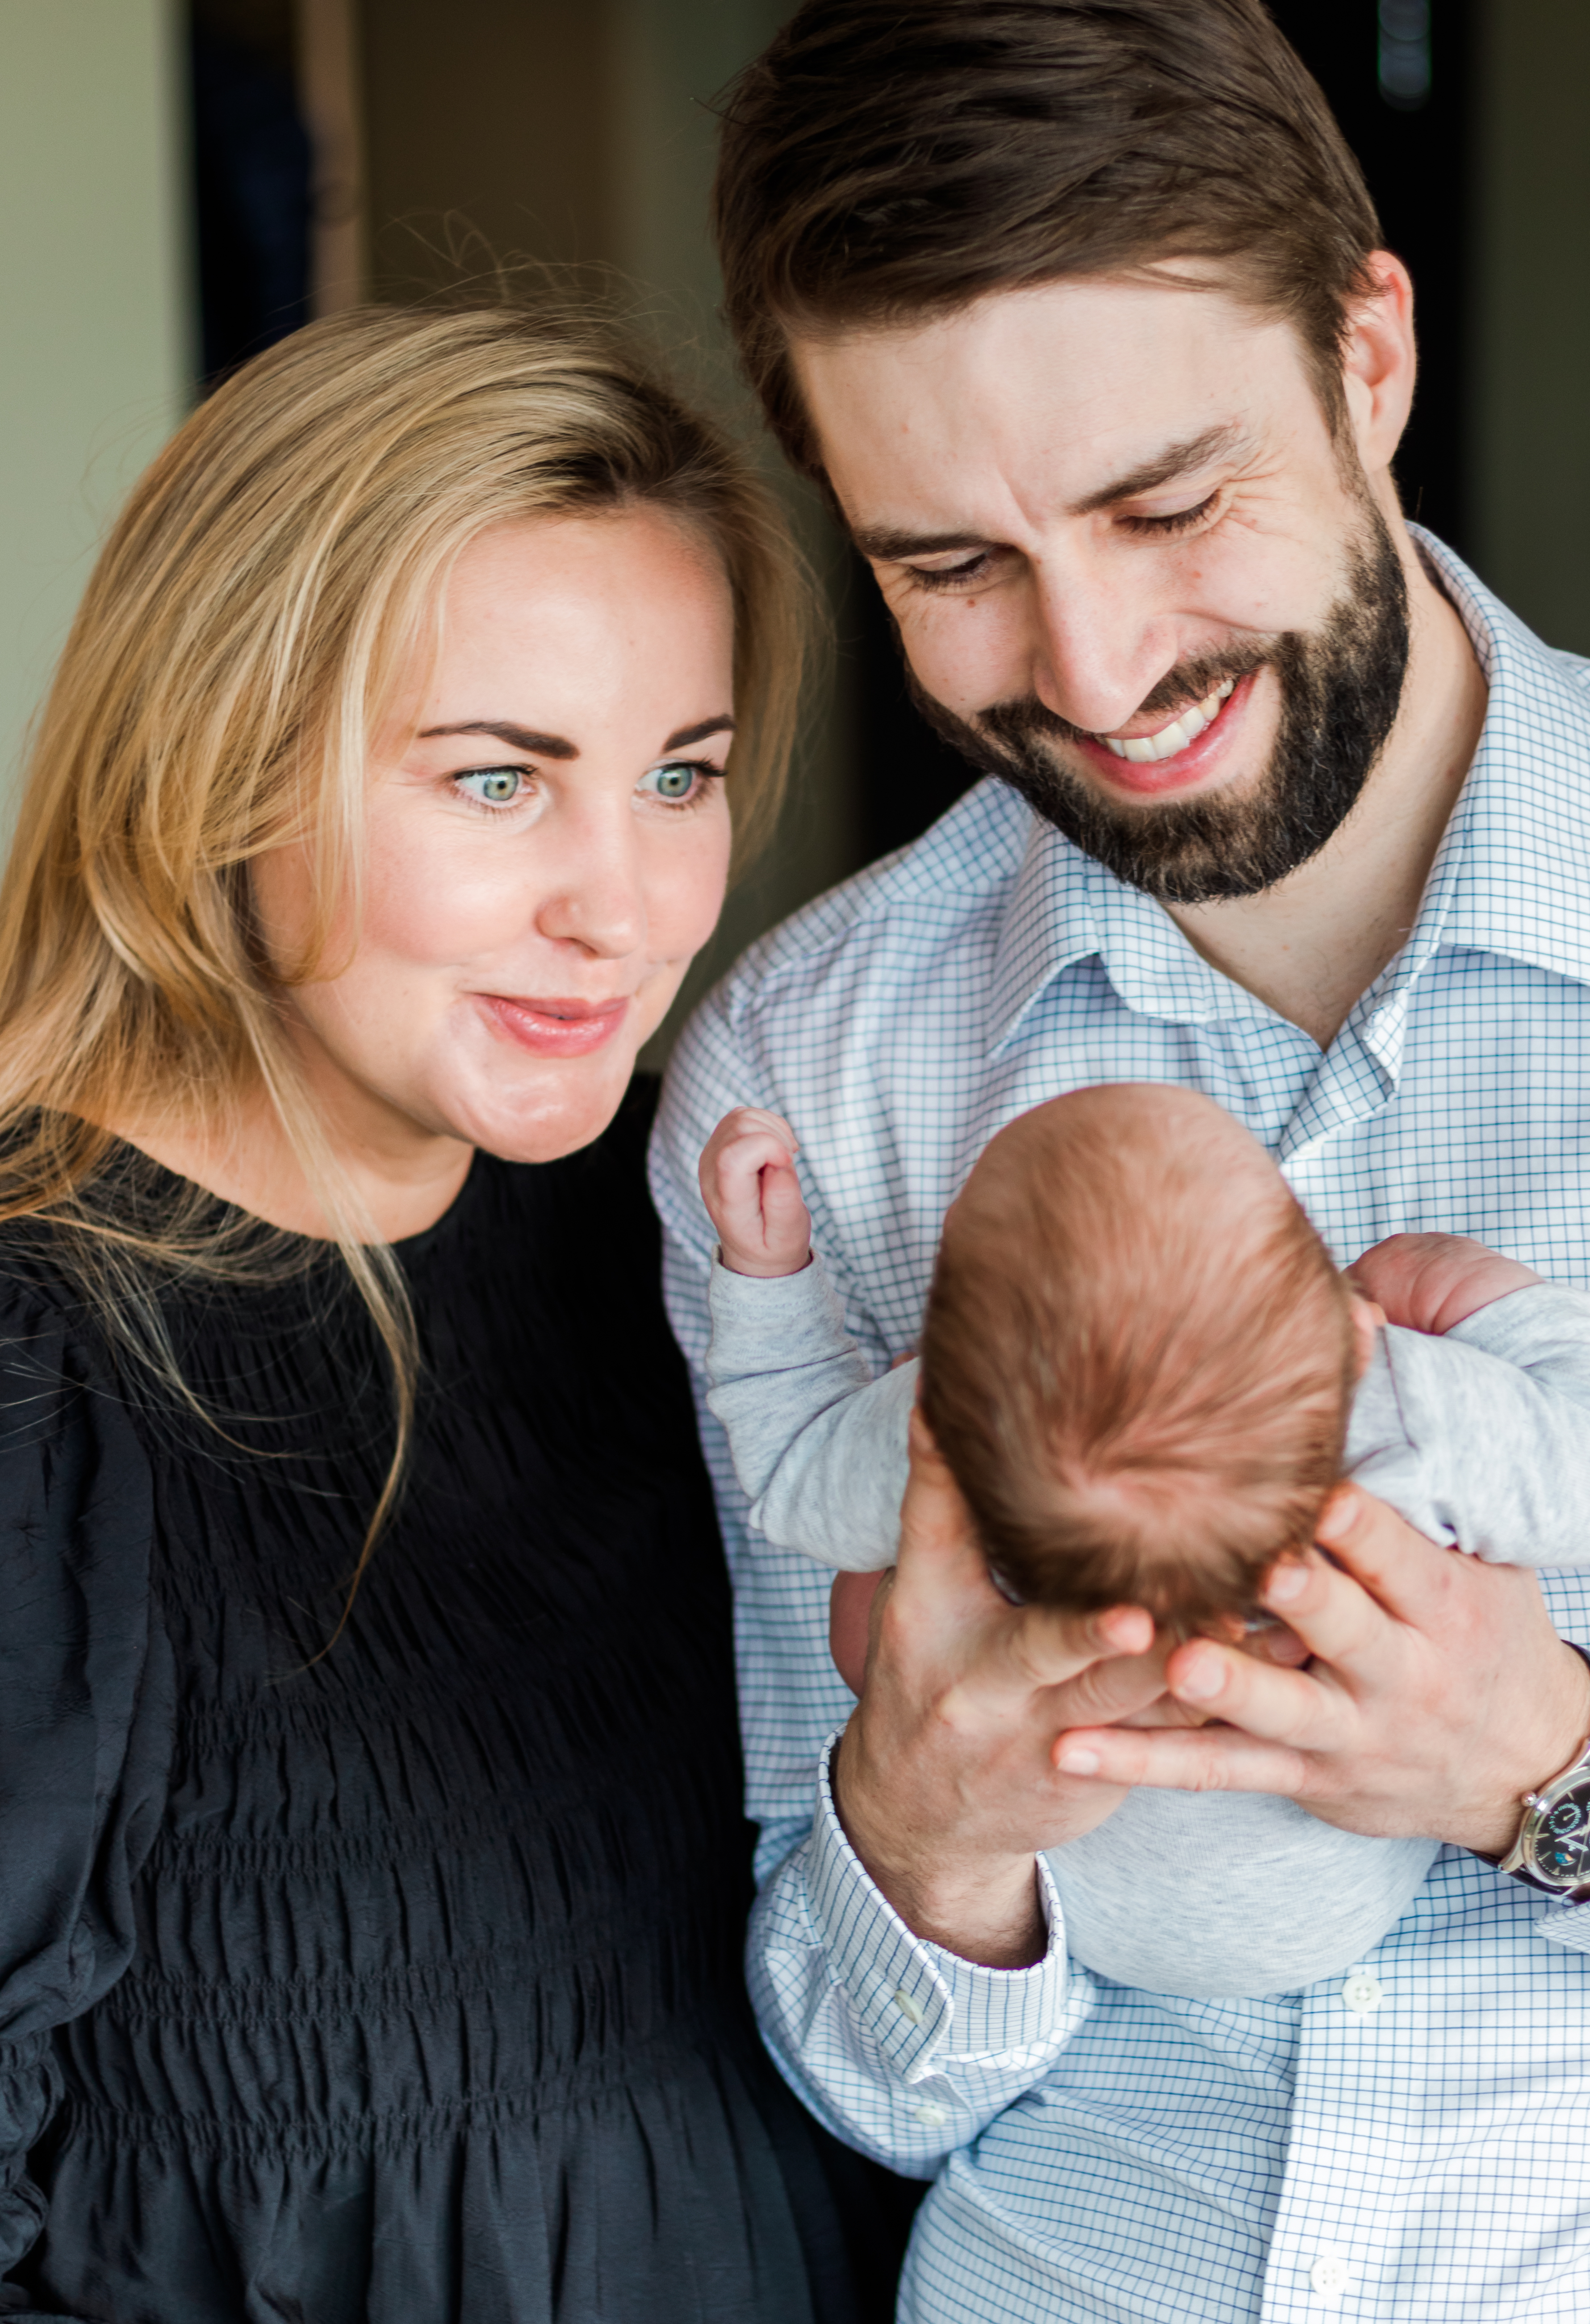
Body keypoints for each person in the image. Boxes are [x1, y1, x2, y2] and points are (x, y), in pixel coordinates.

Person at [650, 2, 1590, 2317]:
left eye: (1164, 505)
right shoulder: (802, 1080)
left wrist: (1563, 1773)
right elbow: (863, 2080)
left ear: (1364, 353)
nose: (1093, 661)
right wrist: (923, 1836)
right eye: (946, 563)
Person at [0, 302, 908, 2323]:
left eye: (678, 772)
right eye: (500, 782)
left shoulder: (699, 1228)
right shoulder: (37, 1377)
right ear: (221, 762)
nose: (628, 901)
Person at [693, 1082, 1590, 1995]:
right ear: (1335, 1312)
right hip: (1351, 1883)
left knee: (873, 1620)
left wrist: (770, 1275)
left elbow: (787, 1473)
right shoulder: (1398, 1403)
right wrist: (1491, 1304)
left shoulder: (939, 1425)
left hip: (1068, 1910)